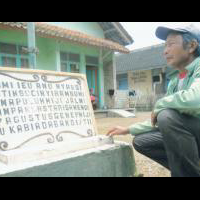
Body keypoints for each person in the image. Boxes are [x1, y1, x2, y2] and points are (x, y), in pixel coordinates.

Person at [107, 24, 200, 177]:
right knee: (142, 141)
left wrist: (159, 104)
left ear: (191, 46)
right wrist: (129, 129)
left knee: (166, 115)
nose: (165, 51)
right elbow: (162, 120)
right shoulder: (175, 81)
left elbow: (196, 99)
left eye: (171, 44)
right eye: (165, 46)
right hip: (191, 136)